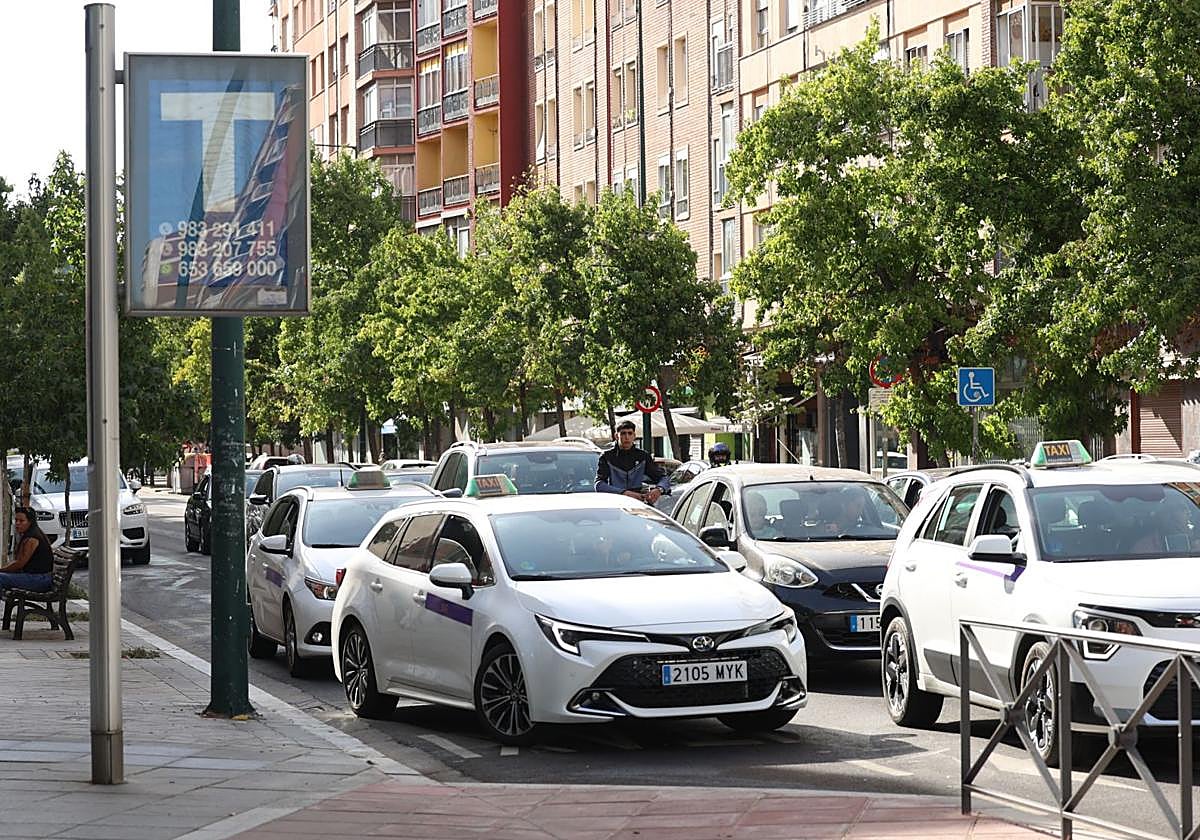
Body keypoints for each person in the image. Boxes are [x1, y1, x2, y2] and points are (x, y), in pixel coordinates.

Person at [596, 420, 669, 505]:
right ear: (616, 436)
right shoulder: (607, 456)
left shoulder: (643, 456)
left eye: (630, 433)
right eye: (623, 433)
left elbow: (663, 478)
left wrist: (659, 489)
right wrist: (624, 493)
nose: (627, 437)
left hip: (638, 505)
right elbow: (599, 484)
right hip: (614, 504)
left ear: (634, 436)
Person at [0, 507, 54, 594]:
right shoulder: (31, 533)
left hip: (40, 580)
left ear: (30, 522)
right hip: (39, 577)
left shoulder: (32, 538)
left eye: (21, 521)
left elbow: (19, 564)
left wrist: (2, 570)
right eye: (16, 520)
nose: (17, 524)